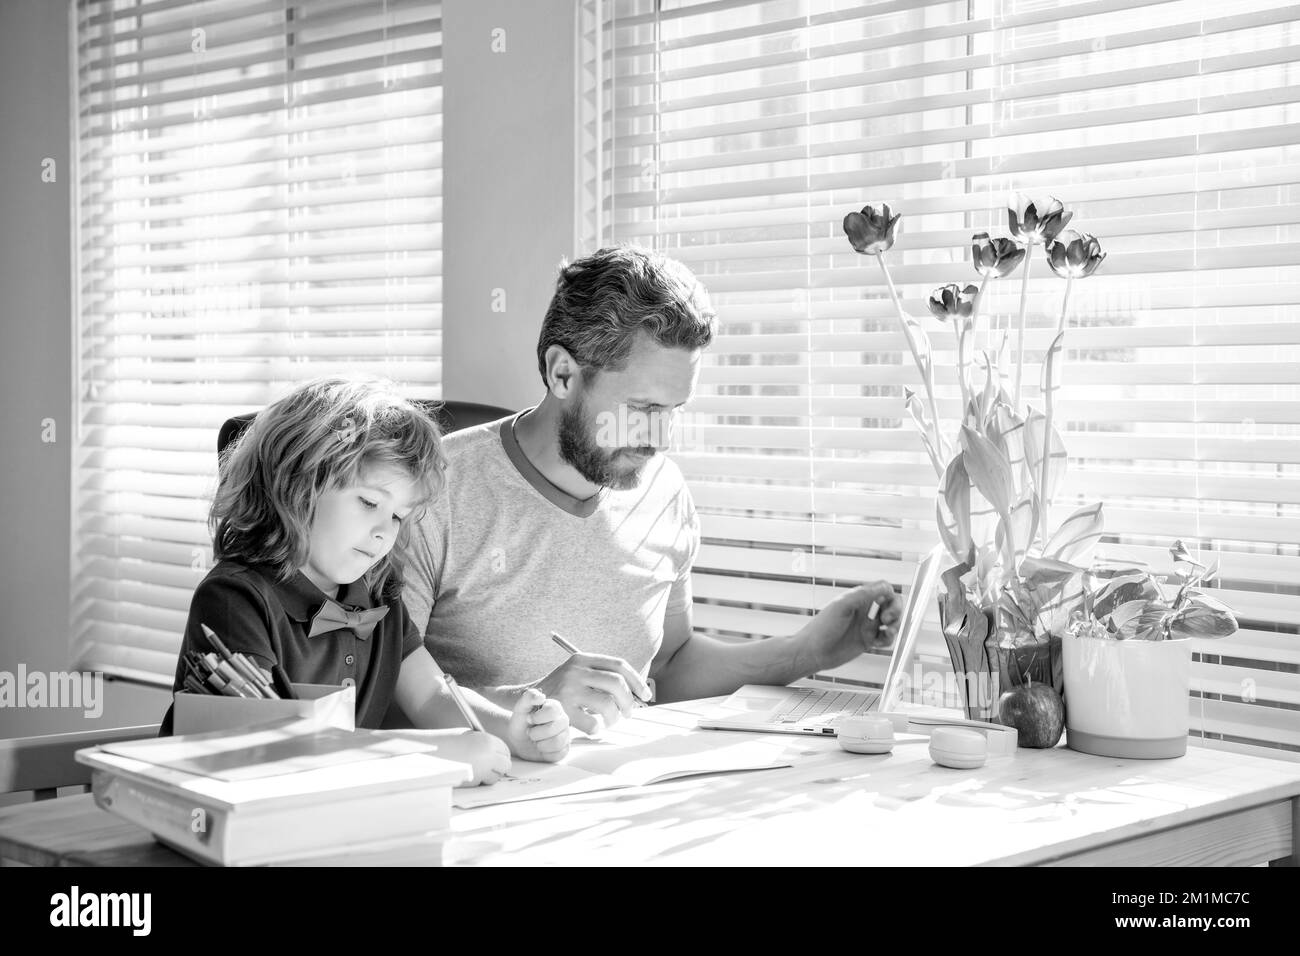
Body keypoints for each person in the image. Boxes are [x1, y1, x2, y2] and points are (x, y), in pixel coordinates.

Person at [404, 246, 903, 734]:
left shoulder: (663, 491)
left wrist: (809, 650)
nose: (660, 439)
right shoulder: (432, 491)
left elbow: (670, 665)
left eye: (673, 411)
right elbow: (379, 692)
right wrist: (530, 705)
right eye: (641, 409)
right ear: (562, 374)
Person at [159, 377, 570, 785]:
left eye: (397, 516)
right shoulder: (235, 599)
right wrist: (429, 755)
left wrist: (509, 730)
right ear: (299, 483)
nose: (384, 533)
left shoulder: (376, 593)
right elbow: (274, 751)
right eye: (369, 502)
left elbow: (430, 695)